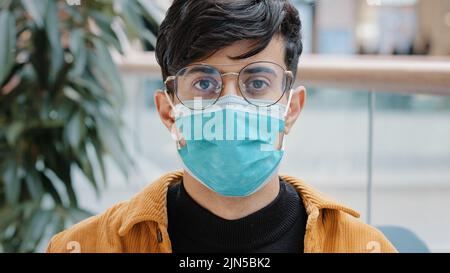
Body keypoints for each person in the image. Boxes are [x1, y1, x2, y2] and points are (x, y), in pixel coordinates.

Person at [46, 0, 396, 253]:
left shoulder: (362, 248)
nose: (230, 102)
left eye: (257, 83)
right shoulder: (85, 247)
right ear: (168, 111)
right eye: (203, 83)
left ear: (292, 108)